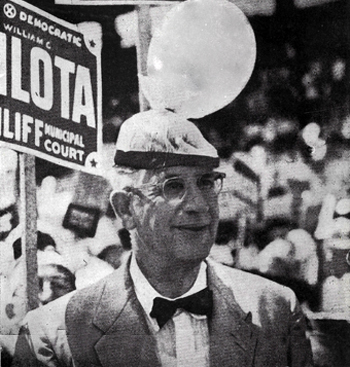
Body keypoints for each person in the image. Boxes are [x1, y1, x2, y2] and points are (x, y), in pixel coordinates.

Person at [12, 109, 313, 367]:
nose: (198, 204)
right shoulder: (52, 334)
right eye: (173, 186)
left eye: (207, 182)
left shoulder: (275, 309)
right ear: (126, 209)